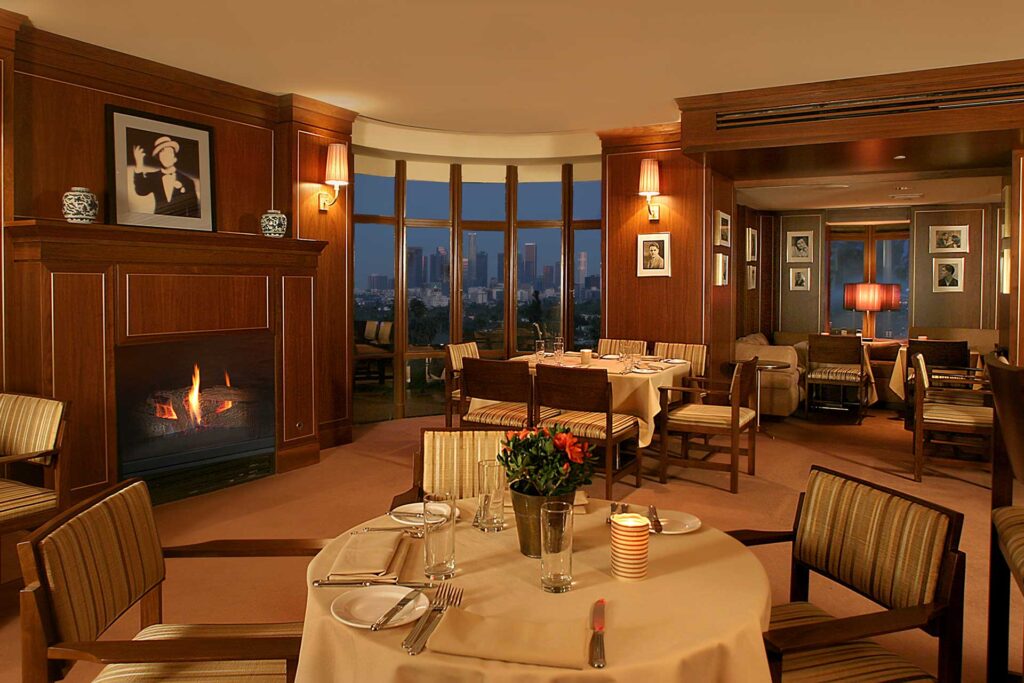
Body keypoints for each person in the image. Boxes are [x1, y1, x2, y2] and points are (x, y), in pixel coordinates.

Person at [133, 136, 200, 217]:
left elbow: (193, 211)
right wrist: (139, 165)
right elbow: (141, 191)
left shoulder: (188, 181)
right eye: (162, 152)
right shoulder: (153, 177)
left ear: (175, 158)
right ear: (158, 158)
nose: (166, 156)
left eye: (169, 152)